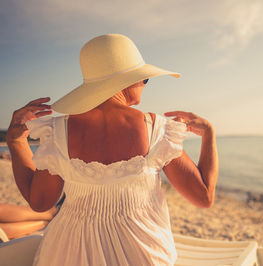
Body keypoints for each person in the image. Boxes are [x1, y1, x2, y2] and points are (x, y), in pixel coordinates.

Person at [6, 34, 218, 265]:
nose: (145, 85)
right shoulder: (158, 131)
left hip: (68, 255)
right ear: (127, 81)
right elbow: (204, 197)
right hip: (143, 255)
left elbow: (40, 202)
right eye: (144, 79)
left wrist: (16, 142)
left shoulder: (57, 133)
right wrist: (208, 134)